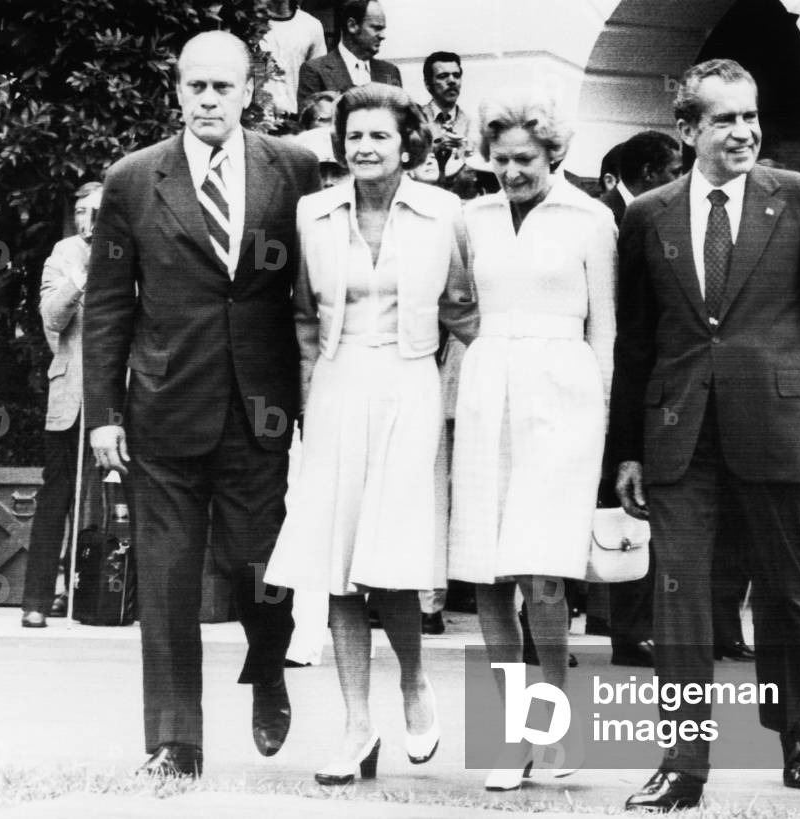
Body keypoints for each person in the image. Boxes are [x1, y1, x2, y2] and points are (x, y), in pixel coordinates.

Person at [610, 59, 800, 811]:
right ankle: (683, 763)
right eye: (725, 119)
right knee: (679, 598)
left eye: (750, 116)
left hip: (778, 428)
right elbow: (636, 341)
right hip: (680, 436)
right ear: (688, 130)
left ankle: (794, 726)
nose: (745, 131)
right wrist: (626, 450)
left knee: (782, 594)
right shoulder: (648, 214)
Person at [83, 31, 321, 778]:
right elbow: (107, 307)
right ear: (177, 91)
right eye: (196, 87)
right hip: (162, 405)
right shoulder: (132, 179)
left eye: (224, 86)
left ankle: (269, 664)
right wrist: (103, 415)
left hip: (262, 407)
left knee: (260, 564)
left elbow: (313, 292)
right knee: (167, 576)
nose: (209, 99)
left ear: (251, 90)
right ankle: (174, 741)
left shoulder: (294, 169)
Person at [264, 82, 477, 786]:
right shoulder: (313, 212)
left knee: (391, 559)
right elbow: (300, 316)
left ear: (406, 143)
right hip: (336, 385)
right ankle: (357, 726)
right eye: (354, 135)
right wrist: (305, 402)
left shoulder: (446, 212)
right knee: (338, 564)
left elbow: (465, 311)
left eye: (380, 136)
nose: (364, 147)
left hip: (411, 385)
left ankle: (415, 683)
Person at [448, 87, 617, 791]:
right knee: (488, 573)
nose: (513, 171)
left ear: (555, 153)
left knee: (543, 573)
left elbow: (605, 327)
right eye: (502, 158)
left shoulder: (591, 218)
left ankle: (554, 716)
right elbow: (456, 300)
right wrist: (481, 354)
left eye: (527, 158)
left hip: (564, 396)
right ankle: (512, 733)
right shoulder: (473, 216)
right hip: (489, 388)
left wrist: (601, 415)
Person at [20, 181, 102, 628]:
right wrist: (82, 273)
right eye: (83, 211)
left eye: (100, 211)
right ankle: (36, 599)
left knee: (137, 497)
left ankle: (128, 598)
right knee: (57, 496)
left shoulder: (136, 251)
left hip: (127, 395)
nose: (90, 219)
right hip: (71, 391)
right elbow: (52, 316)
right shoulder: (64, 252)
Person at [297, 0, 401, 106]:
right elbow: (310, 119)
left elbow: (403, 117)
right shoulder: (315, 71)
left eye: (383, 29)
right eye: (376, 28)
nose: (382, 36)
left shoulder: (390, 72)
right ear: (352, 26)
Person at [260, 0, 327, 119]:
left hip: (295, 117)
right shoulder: (248, 23)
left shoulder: (311, 25)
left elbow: (319, 78)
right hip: (256, 117)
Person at [420, 51, 479, 183]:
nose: (452, 81)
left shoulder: (473, 124)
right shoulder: (416, 120)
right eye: (443, 76)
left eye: (456, 76)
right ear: (428, 84)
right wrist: (435, 145)